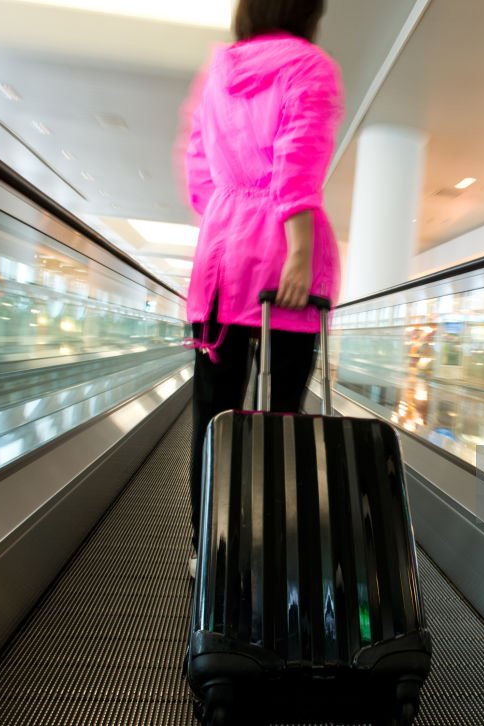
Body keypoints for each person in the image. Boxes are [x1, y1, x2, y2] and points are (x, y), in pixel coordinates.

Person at [179, 0, 344, 577]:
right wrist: (297, 249)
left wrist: (226, 212)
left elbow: (198, 166)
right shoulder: (309, 65)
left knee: (213, 412)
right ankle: (271, 545)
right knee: (280, 415)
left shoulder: (220, 70)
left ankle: (208, 549)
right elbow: (297, 159)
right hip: (283, 260)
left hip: (221, 259)